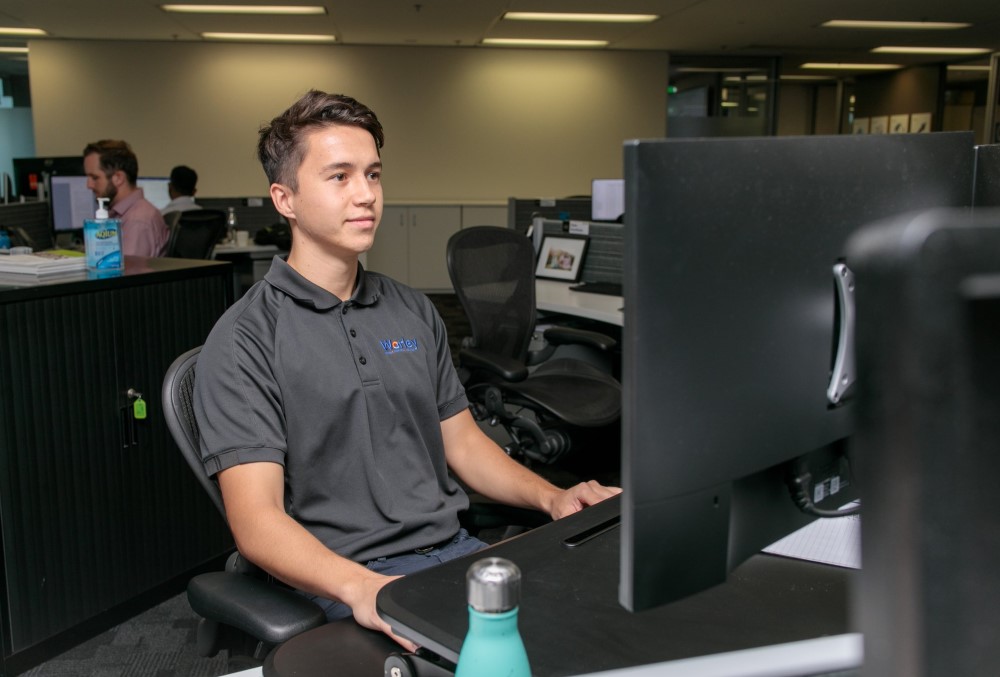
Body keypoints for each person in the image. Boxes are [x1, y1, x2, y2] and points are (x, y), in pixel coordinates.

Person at [193, 90, 619, 649]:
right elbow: (256, 521)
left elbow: (463, 444)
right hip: (344, 579)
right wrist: (363, 588)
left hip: (453, 556)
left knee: (594, 625)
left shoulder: (411, 308)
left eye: (373, 174)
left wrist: (552, 498)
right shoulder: (245, 339)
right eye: (340, 177)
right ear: (285, 198)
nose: (366, 194)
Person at [83, 139, 169, 257]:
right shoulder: (121, 215)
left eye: (95, 178)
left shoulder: (137, 220)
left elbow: (129, 269)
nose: (89, 185)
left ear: (118, 178)